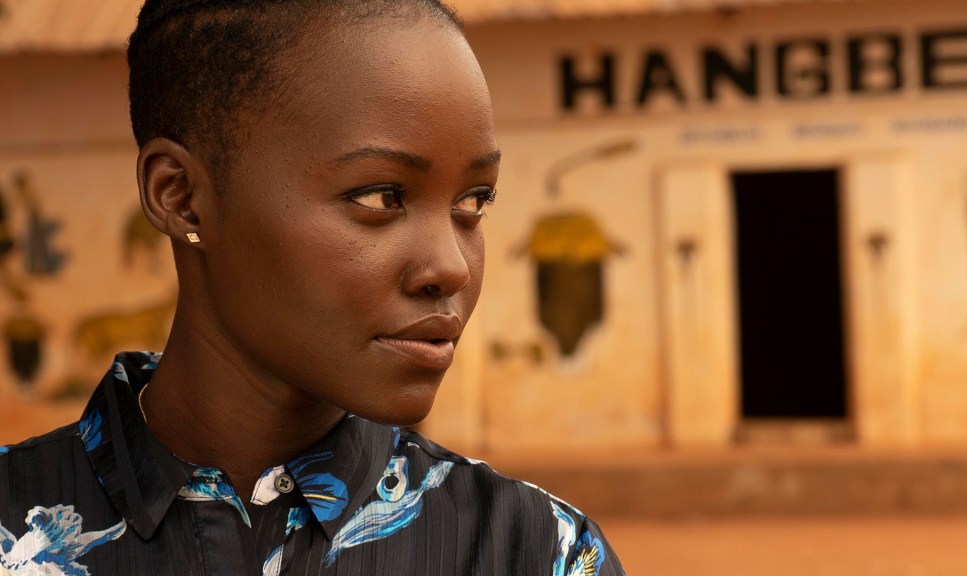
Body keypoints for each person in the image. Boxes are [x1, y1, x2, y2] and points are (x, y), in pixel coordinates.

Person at [0, 0, 625, 574]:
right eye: (381, 197)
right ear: (182, 197)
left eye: (473, 200)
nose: (452, 267)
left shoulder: (532, 552)